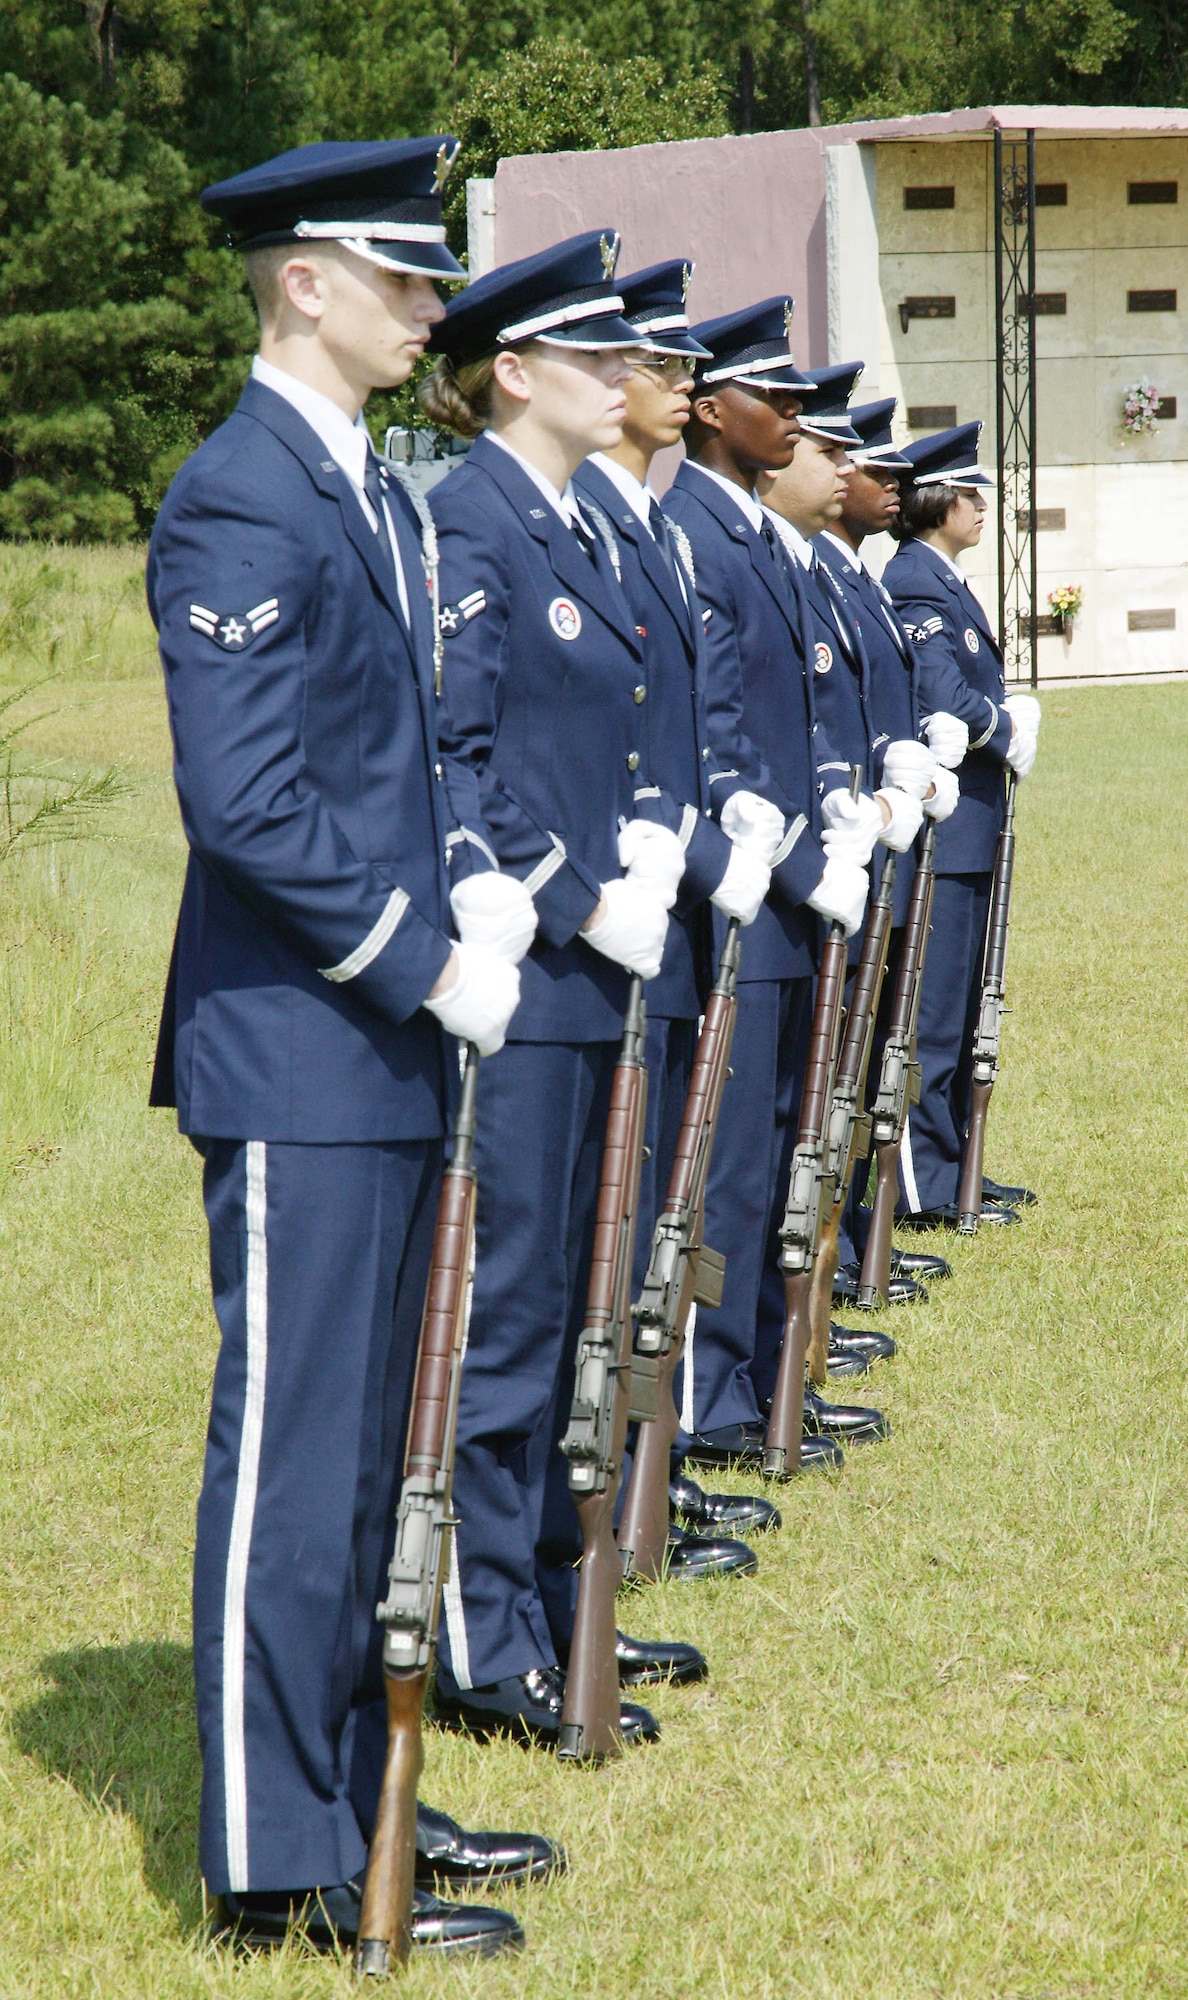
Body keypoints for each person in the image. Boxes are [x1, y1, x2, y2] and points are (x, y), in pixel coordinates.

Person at [148, 137, 557, 1959]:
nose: (429, 309)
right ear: (302, 282)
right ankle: (266, 1852)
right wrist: (413, 960)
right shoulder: (240, 496)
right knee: (296, 1457)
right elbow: (243, 803)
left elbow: (418, 757)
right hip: (300, 1048)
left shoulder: (375, 494)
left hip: (386, 1038)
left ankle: (356, 1790)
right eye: (401, 279)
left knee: (378, 1443)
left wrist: (470, 892)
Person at [419, 232, 708, 1749]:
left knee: (573, 1302)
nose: (624, 380)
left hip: (599, 972)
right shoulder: (472, 522)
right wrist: (574, 893)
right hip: (527, 975)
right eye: (594, 358)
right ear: (512, 372)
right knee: (513, 1312)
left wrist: (649, 848)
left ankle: (547, 1594)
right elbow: (456, 759)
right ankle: (480, 1642)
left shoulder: (583, 522)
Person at [571, 260, 781, 1564]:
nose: (675, 381)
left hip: (678, 906)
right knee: (627, 1227)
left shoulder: (644, 524)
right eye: (656, 363)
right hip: (626, 916)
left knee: (665, 1215)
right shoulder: (611, 523)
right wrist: (688, 854)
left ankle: (650, 1466)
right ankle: (632, 1474)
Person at [663, 299, 872, 1475]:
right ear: (708, 409)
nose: (792, 416)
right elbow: (718, 740)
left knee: (784, 1139)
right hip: (748, 892)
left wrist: (844, 811)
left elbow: (797, 721)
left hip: (794, 887)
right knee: (731, 1160)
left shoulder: (742, 530)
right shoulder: (697, 527)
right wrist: (793, 861)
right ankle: (711, 1399)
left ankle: (760, 1372)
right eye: (771, 396)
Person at [815, 394, 960, 1296]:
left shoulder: (859, 575)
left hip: (885, 825)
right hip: (839, 841)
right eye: (875, 468)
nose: (891, 484)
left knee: (867, 1055)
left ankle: (853, 1226)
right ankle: (834, 1244)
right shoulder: (833, 574)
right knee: (835, 1065)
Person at [883, 421, 1041, 1227]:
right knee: (934, 1018)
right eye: (969, 493)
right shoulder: (914, 580)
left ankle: (956, 1172)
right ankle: (926, 1187)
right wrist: (1002, 725)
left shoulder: (940, 578)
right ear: (935, 500)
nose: (981, 507)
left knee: (963, 1004)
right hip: (945, 834)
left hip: (973, 829)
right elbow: (940, 694)